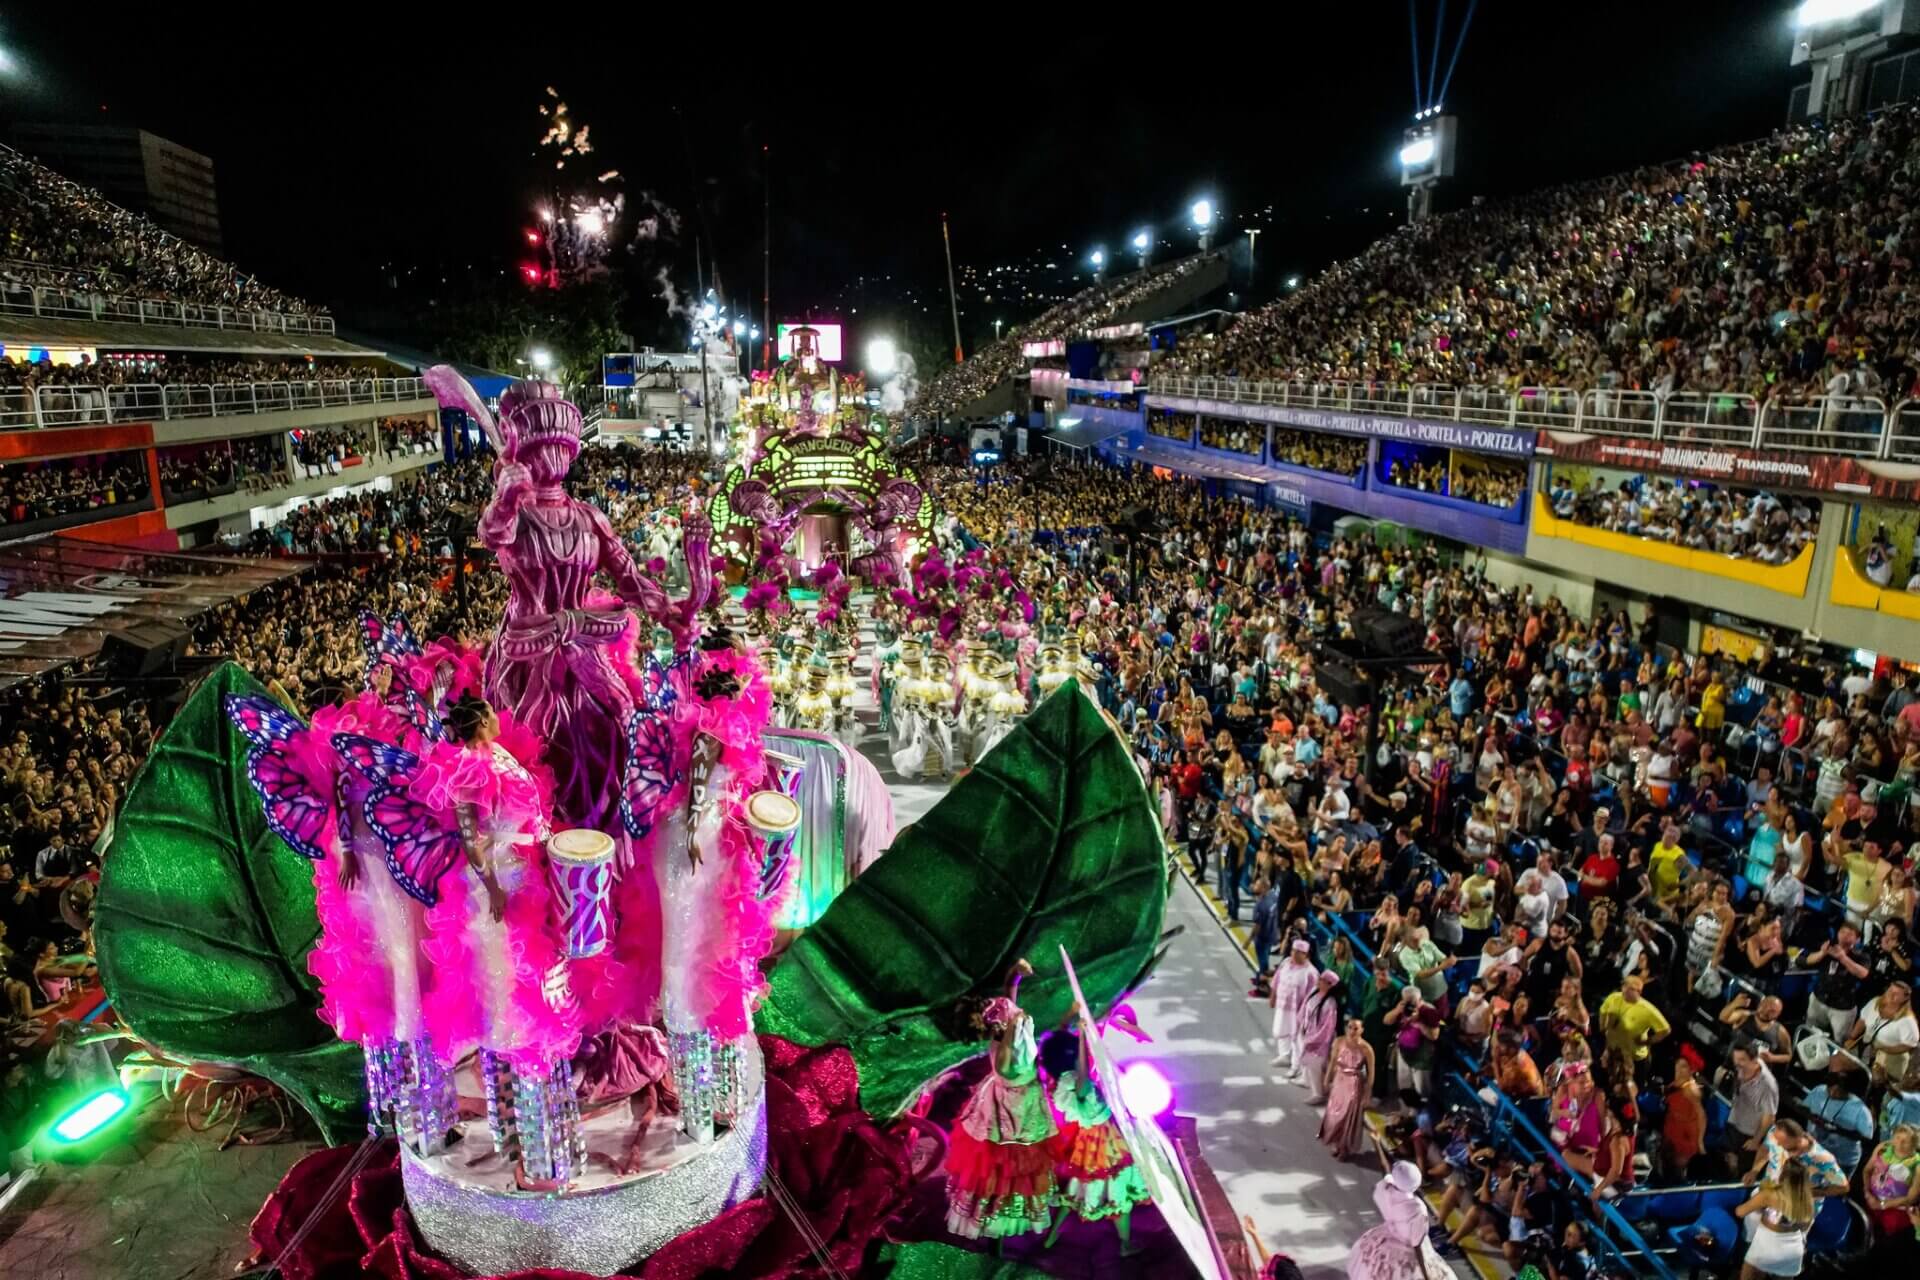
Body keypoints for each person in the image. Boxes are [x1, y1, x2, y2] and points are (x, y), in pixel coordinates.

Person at [945, 961, 1059, 1239]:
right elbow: (1010, 1054)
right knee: (1006, 1166)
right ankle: (994, 1221)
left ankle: (997, 1221)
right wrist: (1014, 1024)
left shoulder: (1007, 1030)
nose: (1018, 1012)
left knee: (1012, 1168)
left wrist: (1016, 975)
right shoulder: (1007, 1056)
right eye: (1014, 1014)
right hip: (1013, 1111)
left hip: (1014, 1098)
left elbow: (1010, 994)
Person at [1045, 1018, 1150, 1252]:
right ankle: (1125, 1243)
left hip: (1089, 1138)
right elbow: (1084, 1077)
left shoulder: (1058, 1083)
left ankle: (1052, 1235)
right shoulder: (1076, 1084)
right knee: (1117, 1187)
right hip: (1103, 1139)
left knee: (1076, 1188)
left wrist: (1068, 1029)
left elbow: (1068, 1059)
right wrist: (1082, 1039)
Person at [1346, 1160, 1450, 1280]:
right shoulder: (1416, 1209)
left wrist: (1377, 1144)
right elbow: (1417, 1245)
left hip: (1388, 1236)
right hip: (1406, 1248)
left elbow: (1385, 1169)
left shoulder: (1384, 1189)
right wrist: (1426, 1276)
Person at [1735, 1160, 1814, 1279]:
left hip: (1767, 1247)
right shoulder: (1809, 1200)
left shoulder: (1769, 1195)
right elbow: (1805, 1225)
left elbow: (1740, 1212)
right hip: (1792, 1251)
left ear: (1783, 1176)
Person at [1744, 1119, 1850, 1199]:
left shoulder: (1822, 1159)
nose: (1777, 1144)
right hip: (1767, 1193)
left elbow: (1843, 1187)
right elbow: (1765, 1150)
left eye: (1781, 1143)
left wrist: (1809, 1194)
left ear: (1799, 1141)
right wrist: (1754, 1170)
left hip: (1796, 1210)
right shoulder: (1776, 1133)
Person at [1319, 1017, 1375, 1159]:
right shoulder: (1339, 1041)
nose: (1352, 1031)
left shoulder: (1366, 1048)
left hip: (1354, 1084)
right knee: (1333, 1113)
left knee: (1348, 1116)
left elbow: (1371, 1073)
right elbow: (1332, 1061)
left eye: (1356, 1028)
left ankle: (1344, 1147)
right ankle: (1336, 1142)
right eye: (1350, 1027)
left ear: (1362, 1030)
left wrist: (1367, 1094)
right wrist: (1327, 1079)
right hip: (1339, 1081)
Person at [1597, 975, 1670, 1065]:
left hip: (1634, 1057)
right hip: (1613, 1050)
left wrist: (1647, 1041)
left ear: (1638, 991)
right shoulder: (1614, 998)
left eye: (1630, 988)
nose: (1624, 990)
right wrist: (1603, 1027)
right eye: (1624, 986)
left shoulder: (1648, 1010)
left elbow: (1665, 1030)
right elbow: (1603, 1011)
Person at [1863, 1124, 1920, 1238]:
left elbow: (1910, 1198)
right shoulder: (1882, 1148)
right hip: (1872, 1199)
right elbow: (1867, 1171)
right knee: (1867, 1222)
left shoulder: (1917, 1166)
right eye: (1897, 1138)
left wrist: (1881, 1205)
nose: (1899, 1144)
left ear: (1914, 1145)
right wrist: (1867, 1192)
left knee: (1889, 1232)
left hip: (1896, 1208)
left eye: (1905, 1141)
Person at [1269, 939, 1319, 1069]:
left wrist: (1305, 1013)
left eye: (1299, 952)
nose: (1294, 954)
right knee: (1281, 1029)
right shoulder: (1285, 963)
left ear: (1306, 955)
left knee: (1295, 1034)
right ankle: (1283, 1055)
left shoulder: (1311, 972)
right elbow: (1277, 980)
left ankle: (1296, 1062)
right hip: (1282, 1005)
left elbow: (1312, 995)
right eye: (1293, 950)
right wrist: (1272, 996)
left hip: (1297, 1009)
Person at [1296, 969, 1343, 1101]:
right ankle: (1308, 1081)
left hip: (1321, 1040)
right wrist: (1301, 1025)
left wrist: (1313, 1040)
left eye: (1322, 980)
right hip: (1308, 1032)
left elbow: (1327, 1028)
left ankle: (1319, 1093)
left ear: (1329, 984)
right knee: (1308, 1062)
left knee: (1315, 1064)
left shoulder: (1330, 1003)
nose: (1319, 981)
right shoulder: (1314, 993)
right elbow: (1304, 1009)